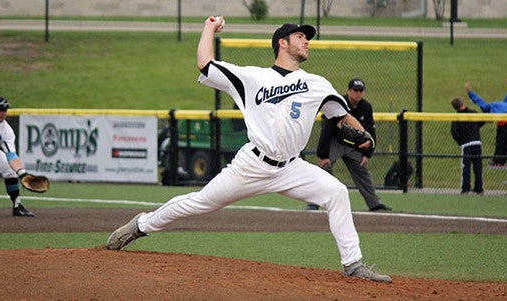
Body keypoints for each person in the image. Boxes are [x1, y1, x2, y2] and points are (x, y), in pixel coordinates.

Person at [106, 17, 392, 283]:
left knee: (336, 192)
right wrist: (209, 27)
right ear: (282, 42)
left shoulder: (317, 84)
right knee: (200, 202)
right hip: (252, 165)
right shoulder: (251, 78)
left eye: (307, 38)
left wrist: (365, 136)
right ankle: (140, 225)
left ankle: (353, 264)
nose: (306, 42)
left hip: (292, 168)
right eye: (300, 36)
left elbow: (340, 116)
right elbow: (205, 64)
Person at [307, 78, 392, 212]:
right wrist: (323, 155)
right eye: (355, 90)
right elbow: (326, 129)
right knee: (324, 169)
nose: (358, 93)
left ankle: (374, 204)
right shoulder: (339, 102)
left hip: (354, 145)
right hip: (335, 141)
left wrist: (367, 153)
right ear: (349, 90)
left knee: (362, 171)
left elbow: (370, 129)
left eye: (360, 90)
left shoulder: (366, 107)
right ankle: (313, 203)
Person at [0, 96, 35, 217]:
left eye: (5, 110)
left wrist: (22, 173)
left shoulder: (6, 130)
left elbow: (11, 156)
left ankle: (17, 206)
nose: (2, 113)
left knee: (10, 170)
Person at [465, 80, 507, 167]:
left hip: (504, 120)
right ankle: (501, 161)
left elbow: (480, 102)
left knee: (501, 141)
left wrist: (470, 93)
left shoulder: (489, 107)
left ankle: (498, 162)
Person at [450, 97, 485, 194]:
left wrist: (460, 142)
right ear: (463, 102)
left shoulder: (457, 117)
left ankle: (465, 189)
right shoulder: (473, 112)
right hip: (477, 143)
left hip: (466, 145)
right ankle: (479, 188)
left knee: (466, 167)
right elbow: (483, 120)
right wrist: (475, 128)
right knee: (478, 166)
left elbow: (453, 132)